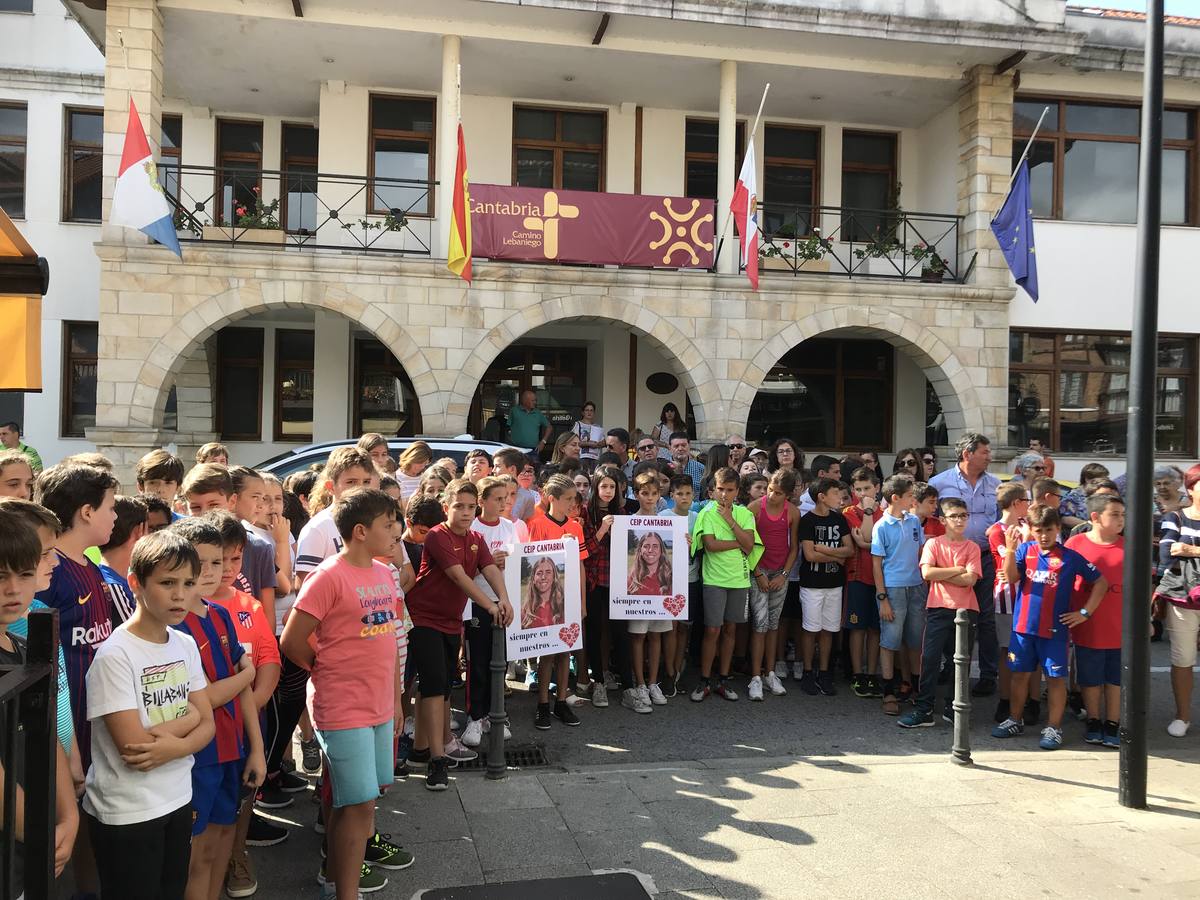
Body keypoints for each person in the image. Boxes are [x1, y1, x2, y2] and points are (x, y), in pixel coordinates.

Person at [281, 489, 411, 899]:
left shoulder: (381, 572)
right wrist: (325, 668)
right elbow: (292, 641)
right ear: (360, 531)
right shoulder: (328, 576)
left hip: (378, 706)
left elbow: (389, 640)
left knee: (359, 803)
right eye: (388, 524)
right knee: (356, 805)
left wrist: (395, 701)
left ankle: (335, 880)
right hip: (343, 707)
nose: (397, 532)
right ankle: (347, 893)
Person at [83, 530, 213, 900]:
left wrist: (177, 741)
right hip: (127, 810)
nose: (180, 594)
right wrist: (189, 720)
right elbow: (135, 748)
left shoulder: (184, 643)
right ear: (136, 583)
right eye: (167, 582)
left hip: (176, 796)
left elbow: (210, 725)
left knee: (171, 890)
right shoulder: (116, 655)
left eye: (189, 583)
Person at [166, 516, 266, 900]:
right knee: (197, 854)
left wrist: (255, 748)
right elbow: (207, 696)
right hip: (199, 755)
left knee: (224, 838)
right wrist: (247, 674)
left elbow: (241, 695)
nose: (210, 571)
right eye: (200, 563)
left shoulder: (221, 614)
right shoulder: (175, 626)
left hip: (232, 749)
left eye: (218, 562)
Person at [404, 479, 513, 786]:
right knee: (437, 686)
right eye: (458, 507)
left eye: (469, 507)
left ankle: (420, 749)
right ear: (446, 508)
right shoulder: (438, 535)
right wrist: (490, 607)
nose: (465, 513)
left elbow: (490, 568)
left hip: (452, 620)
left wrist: (503, 599)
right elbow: (458, 577)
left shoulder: (476, 537)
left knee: (436, 688)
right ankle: (437, 762)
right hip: (423, 617)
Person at [0, 507, 80, 896]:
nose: (13, 590)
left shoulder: (25, 647)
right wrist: (43, 830)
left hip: (38, 839)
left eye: (25, 574)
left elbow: (46, 735)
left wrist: (69, 816)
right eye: (0, 577)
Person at [204, 512, 283, 897]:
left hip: (250, 718)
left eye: (236, 559)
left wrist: (256, 702)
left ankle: (236, 854)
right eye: (220, 559)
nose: (228, 568)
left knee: (243, 791)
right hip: (204, 726)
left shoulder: (247, 604)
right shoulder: (184, 605)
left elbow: (268, 656)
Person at [993, 506, 1106, 750]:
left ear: (1057, 529)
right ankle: (1014, 719)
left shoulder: (1070, 556)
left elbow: (1100, 582)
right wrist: (1011, 550)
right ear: (1031, 531)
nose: (1044, 535)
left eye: (1049, 530)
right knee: (1020, 675)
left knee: (1055, 679)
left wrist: (1084, 613)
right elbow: (1011, 577)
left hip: (1054, 632)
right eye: (1038, 530)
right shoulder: (1025, 550)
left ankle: (1054, 728)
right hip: (1022, 629)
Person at [34, 464, 119, 778]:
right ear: (87, 511)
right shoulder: (49, 573)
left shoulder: (90, 565)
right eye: (110, 508)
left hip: (95, 712)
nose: (115, 517)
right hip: (64, 723)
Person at [898, 496, 981, 728]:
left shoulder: (972, 547)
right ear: (943, 520)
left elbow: (970, 579)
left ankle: (953, 708)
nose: (960, 520)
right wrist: (956, 569)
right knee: (930, 659)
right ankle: (924, 709)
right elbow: (927, 574)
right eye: (954, 516)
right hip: (937, 607)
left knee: (959, 662)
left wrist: (942, 571)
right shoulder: (934, 544)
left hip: (966, 611)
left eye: (963, 515)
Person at [928, 432, 1000, 697]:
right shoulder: (939, 482)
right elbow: (931, 517)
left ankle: (988, 675)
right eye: (985, 452)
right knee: (951, 615)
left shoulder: (994, 483)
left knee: (986, 619)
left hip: (985, 557)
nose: (990, 457)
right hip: (951, 562)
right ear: (968, 454)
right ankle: (952, 665)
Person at [690, 467, 761, 702]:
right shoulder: (707, 513)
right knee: (712, 630)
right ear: (712, 490)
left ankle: (722, 679)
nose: (724, 494)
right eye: (720, 489)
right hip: (714, 580)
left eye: (729, 490)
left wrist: (731, 522)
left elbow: (750, 545)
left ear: (737, 491)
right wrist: (737, 542)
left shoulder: (744, 514)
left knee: (731, 630)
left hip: (739, 580)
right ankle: (704, 680)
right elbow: (710, 545)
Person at [526, 474, 587, 729]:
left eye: (575, 498)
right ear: (552, 499)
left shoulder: (575, 526)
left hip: (569, 597)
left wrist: (582, 601)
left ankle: (561, 702)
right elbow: (529, 563)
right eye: (568, 499)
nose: (573, 503)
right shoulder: (536, 524)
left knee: (565, 652)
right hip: (544, 600)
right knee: (546, 654)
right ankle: (542, 704)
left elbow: (581, 566)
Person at [1066, 494, 1126, 748]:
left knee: (1115, 678)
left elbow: (1145, 585)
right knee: (1090, 677)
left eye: (1123, 515)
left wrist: (1146, 618)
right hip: (1087, 623)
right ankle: (1093, 720)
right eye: (1114, 514)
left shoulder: (1129, 546)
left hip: (1121, 625)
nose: (1121, 520)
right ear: (1095, 517)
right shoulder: (1075, 544)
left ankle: (1112, 723)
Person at [462, 476, 517, 747]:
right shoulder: (471, 527)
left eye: (505, 497)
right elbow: (460, 571)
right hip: (476, 602)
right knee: (478, 663)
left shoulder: (509, 527)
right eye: (497, 498)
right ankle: (475, 716)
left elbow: (520, 560)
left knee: (501, 662)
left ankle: (495, 715)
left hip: (504, 601)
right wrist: (485, 563)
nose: (503, 503)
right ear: (481, 501)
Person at [871, 474, 924, 715]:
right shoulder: (881, 526)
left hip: (916, 587)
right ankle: (888, 690)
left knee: (915, 640)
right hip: (893, 588)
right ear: (896, 498)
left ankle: (915, 686)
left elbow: (921, 551)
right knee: (890, 641)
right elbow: (876, 564)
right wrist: (882, 598)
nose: (914, 499)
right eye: (910, 495)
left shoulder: (913, 521)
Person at [746, 469, 799, 701]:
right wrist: (757, 573)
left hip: (780, 574)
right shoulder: (755, 508)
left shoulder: (793, 512)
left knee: (773, 625)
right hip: (759, 572)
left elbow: (794, 547)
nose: (772, 495)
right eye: (770, 490)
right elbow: (746, 545)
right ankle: (755, 677)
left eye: (778, 493)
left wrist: (784, 574)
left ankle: (770, 673)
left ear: (787, 494)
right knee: (759, 624)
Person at [1156, 463, 1200, 738]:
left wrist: (1191, 549)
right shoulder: (1175, 517)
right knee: (1182, 657)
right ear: (1191, 489)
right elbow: (1167, 554)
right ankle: (1182, 716)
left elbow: (1181, 549)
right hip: (1182, 596)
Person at [797, 477, 853, 696]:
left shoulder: (839, 520)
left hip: (834, 584)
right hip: (812, 584)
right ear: (822, 496)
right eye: (835, 493)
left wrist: (826, 550)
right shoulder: (808, 521)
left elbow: (849, 551)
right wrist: (836, 556)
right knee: (811, 629)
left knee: (829, 630)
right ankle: (808, 671)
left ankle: (825, 672)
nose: (840, 497)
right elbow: (809, 555)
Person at [295, 448, 376, 589]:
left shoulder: (376, 521)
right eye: (351, 482)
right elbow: (304, 586)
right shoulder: (319, 528)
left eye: (366, 481)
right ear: (331, 487)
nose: (360, 488)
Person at [985, 481, 1032, 725]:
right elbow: (1014, 564)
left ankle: (1030, 700)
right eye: (1026, 501)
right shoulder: (996, 530)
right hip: (1006, 599)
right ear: (1016, 503)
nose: (1029, 505)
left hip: (1030, 595)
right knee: (1007, 651)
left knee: (1029, 649)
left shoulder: (1028, 525)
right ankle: (1005, 699)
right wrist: (1024, 544)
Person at [625, 474, 674, 710]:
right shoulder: (629, 521)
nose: (650, 498)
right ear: (636, 495)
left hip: (662, 594)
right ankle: (640, 684)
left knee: (656, 636)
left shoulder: (667, 521)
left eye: (654, 494)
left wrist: (684, 541)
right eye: (645, 493)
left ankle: (653, 683)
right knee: (638, 636)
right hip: (638, 595)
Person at [842, 467, 883, 699]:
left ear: (877, 488)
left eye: (867, 488)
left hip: (879, 579)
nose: (862, 492)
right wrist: (867, 511)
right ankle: (858, 674)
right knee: (857, 627)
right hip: (857, 576)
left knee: (875, 628)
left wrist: (867, 545)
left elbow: (867, 542)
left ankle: (871, 673)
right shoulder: (849, 512)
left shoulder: (886, 513)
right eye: (858, 489)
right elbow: (866, 536)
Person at [97, 495, 148, 624]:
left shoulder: (104, 576)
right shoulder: (113, 587)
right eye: (151, 529)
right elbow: (139, 639)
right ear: (138, 532)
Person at [493, 448, 538, 523]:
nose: (493, 470)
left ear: (512, 469)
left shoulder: (527, 497)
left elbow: (526, 527)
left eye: (497, 466)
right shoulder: (489, 491)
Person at [1060, 463, 1110, 527]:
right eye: (1102, 479)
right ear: (1087, 479)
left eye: (1106, 478)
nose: (1104, 482)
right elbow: (1065, 519)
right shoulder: (1073, 496)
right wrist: (1090, 526)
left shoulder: (1104, 494)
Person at [508, 389, 553, 460]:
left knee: (533, 469)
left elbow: (549, 427)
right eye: (533, 400)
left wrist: (543, 442)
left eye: (535, 400)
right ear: (525, 400)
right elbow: (507, 428)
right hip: (516, 448)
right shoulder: (514, 411)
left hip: (533, 450)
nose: (535, 402)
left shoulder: (537, 413)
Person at [574, 402, 605, 473]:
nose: (589, 412)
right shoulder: (578, 424)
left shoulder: (598, 427)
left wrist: (598, 444)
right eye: (587, 410)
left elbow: (604, 442)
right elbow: (574, 442)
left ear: (594, 412)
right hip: (582, 457)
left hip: (595, 458)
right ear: (583, 412)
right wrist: (589, 444)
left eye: (591, 410)